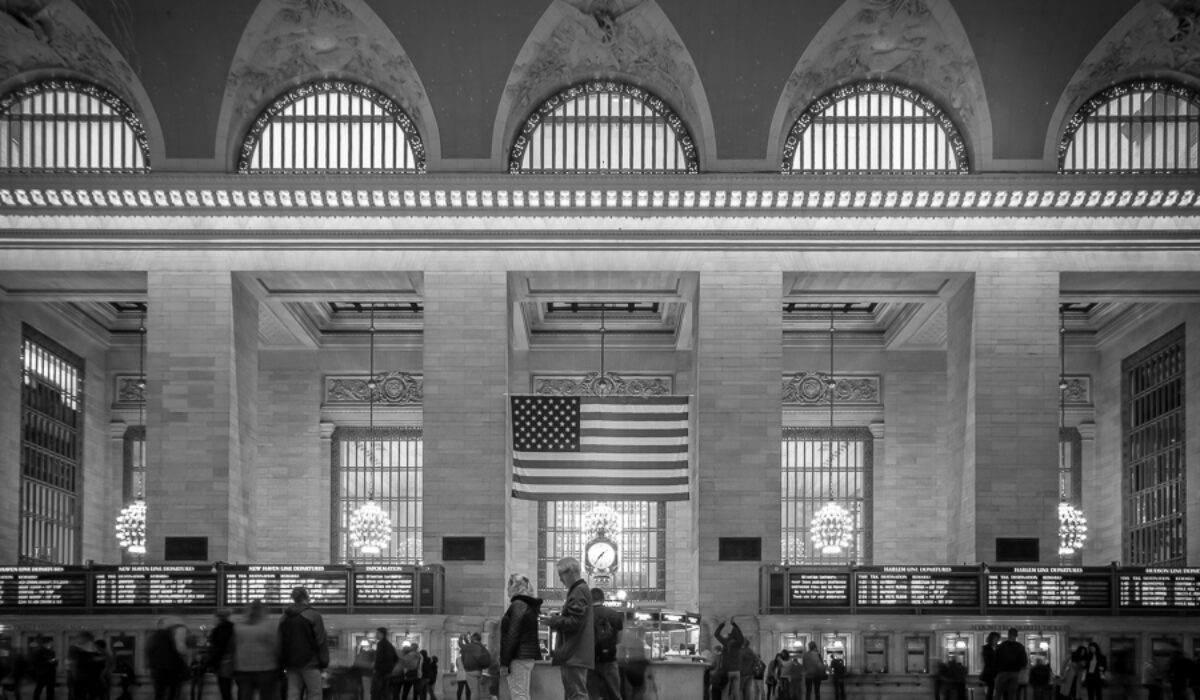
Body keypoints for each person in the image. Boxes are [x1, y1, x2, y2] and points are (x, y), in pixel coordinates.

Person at [545, 557, 594, 700]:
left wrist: (554, 620)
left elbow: (575, 622)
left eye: (561, 574)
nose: (560, 579)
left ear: (571, 571)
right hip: (578, 653)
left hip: (574, 653)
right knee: (575, 694)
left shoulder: (578, 591)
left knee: (576, 695)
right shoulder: (581, 589)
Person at [279, 587, 329, 700]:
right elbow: (320, 640)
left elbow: (280, 641)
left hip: (291, 663)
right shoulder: (313, 615)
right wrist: (324, 662)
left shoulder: (284, 617)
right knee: (315, 694)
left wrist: (282, 662)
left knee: (293, 693)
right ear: (306, 598)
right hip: (310, 663)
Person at [499, 573, 542, 700]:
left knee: (519, 695)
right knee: (522, 694)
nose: (506, 588)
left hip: (518, 657)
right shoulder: (527, 605)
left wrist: (504, 662)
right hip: (525, 657)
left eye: (508, 584)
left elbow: (513, 633)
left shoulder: (518, 604)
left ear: (514, 586)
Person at [234, 601, 279, 700]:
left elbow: (234, 646)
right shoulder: (269, 626)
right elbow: (276, 647)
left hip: (243, 668)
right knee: (267, 696)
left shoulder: (238, 627)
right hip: (266, 668)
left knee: (245, 696)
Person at [589, 587, 624, 700]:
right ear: (603, 599)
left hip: (590, 661)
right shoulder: (615, 615)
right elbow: (620, 640)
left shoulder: (585, 616)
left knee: (591, 695)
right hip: (610, 660)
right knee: (615, 694)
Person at [146, 620, 188, 700]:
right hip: (170, 670)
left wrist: (152, 667)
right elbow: (177, 651)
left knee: (159, 693)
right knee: (172, 693)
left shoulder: (153, 637)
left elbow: (148, 651)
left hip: (157, 670)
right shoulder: (170, 636)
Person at [714, 620, 747, 700]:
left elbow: (716, 634)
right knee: (736, 694)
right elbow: (741, 635)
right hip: (737, 671)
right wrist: (735, 624)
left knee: (725, 693)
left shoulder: (726, 642)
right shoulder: (739, 642)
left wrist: (722, 624)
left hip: (727, 671)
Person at [993, 629, 1027, 700]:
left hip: (1002, 672)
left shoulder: (1002, 646)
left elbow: (995, 659)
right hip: (1014, 673)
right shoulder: (1020, 646)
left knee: (998, 693)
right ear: (1016, 635)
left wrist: (997, 669)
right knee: (1012, 694)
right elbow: (1024, 662)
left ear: (1008, 634)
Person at [208, 611, 235, 700]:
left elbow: (218, 649)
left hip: (224, 664)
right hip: (236, 663)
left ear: (219, 618)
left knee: (225, 690)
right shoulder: (235, 628)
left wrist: (210, 663)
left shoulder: (218, 630)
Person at [458, 635, 488, 700]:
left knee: (474, 691)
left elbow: (461, 645)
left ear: (473, 639)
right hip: (479, 671)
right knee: (478, 690)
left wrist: (461, 638)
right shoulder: (481, 646)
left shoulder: (470, 647)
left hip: (471, 671)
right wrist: (466, 639)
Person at [369, 630, 397, 700]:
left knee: (375, 692)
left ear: (382, 634)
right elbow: (396, 658)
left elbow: (379, 658)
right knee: (385, 693)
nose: (376, 635)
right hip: (388, 673)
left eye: (377, 633)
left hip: (380, 672)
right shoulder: (390, 645)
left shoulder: (381, 644)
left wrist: (374, 667)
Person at [981, 632, 1000, 700]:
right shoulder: (986, 648)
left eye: (997, 639)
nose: (996, 641)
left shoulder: (999, 647)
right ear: (990, 639)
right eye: (995, 639)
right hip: (990, 673)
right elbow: (987, 660)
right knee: (990, 691)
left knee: (999, 691)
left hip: (999, 672)